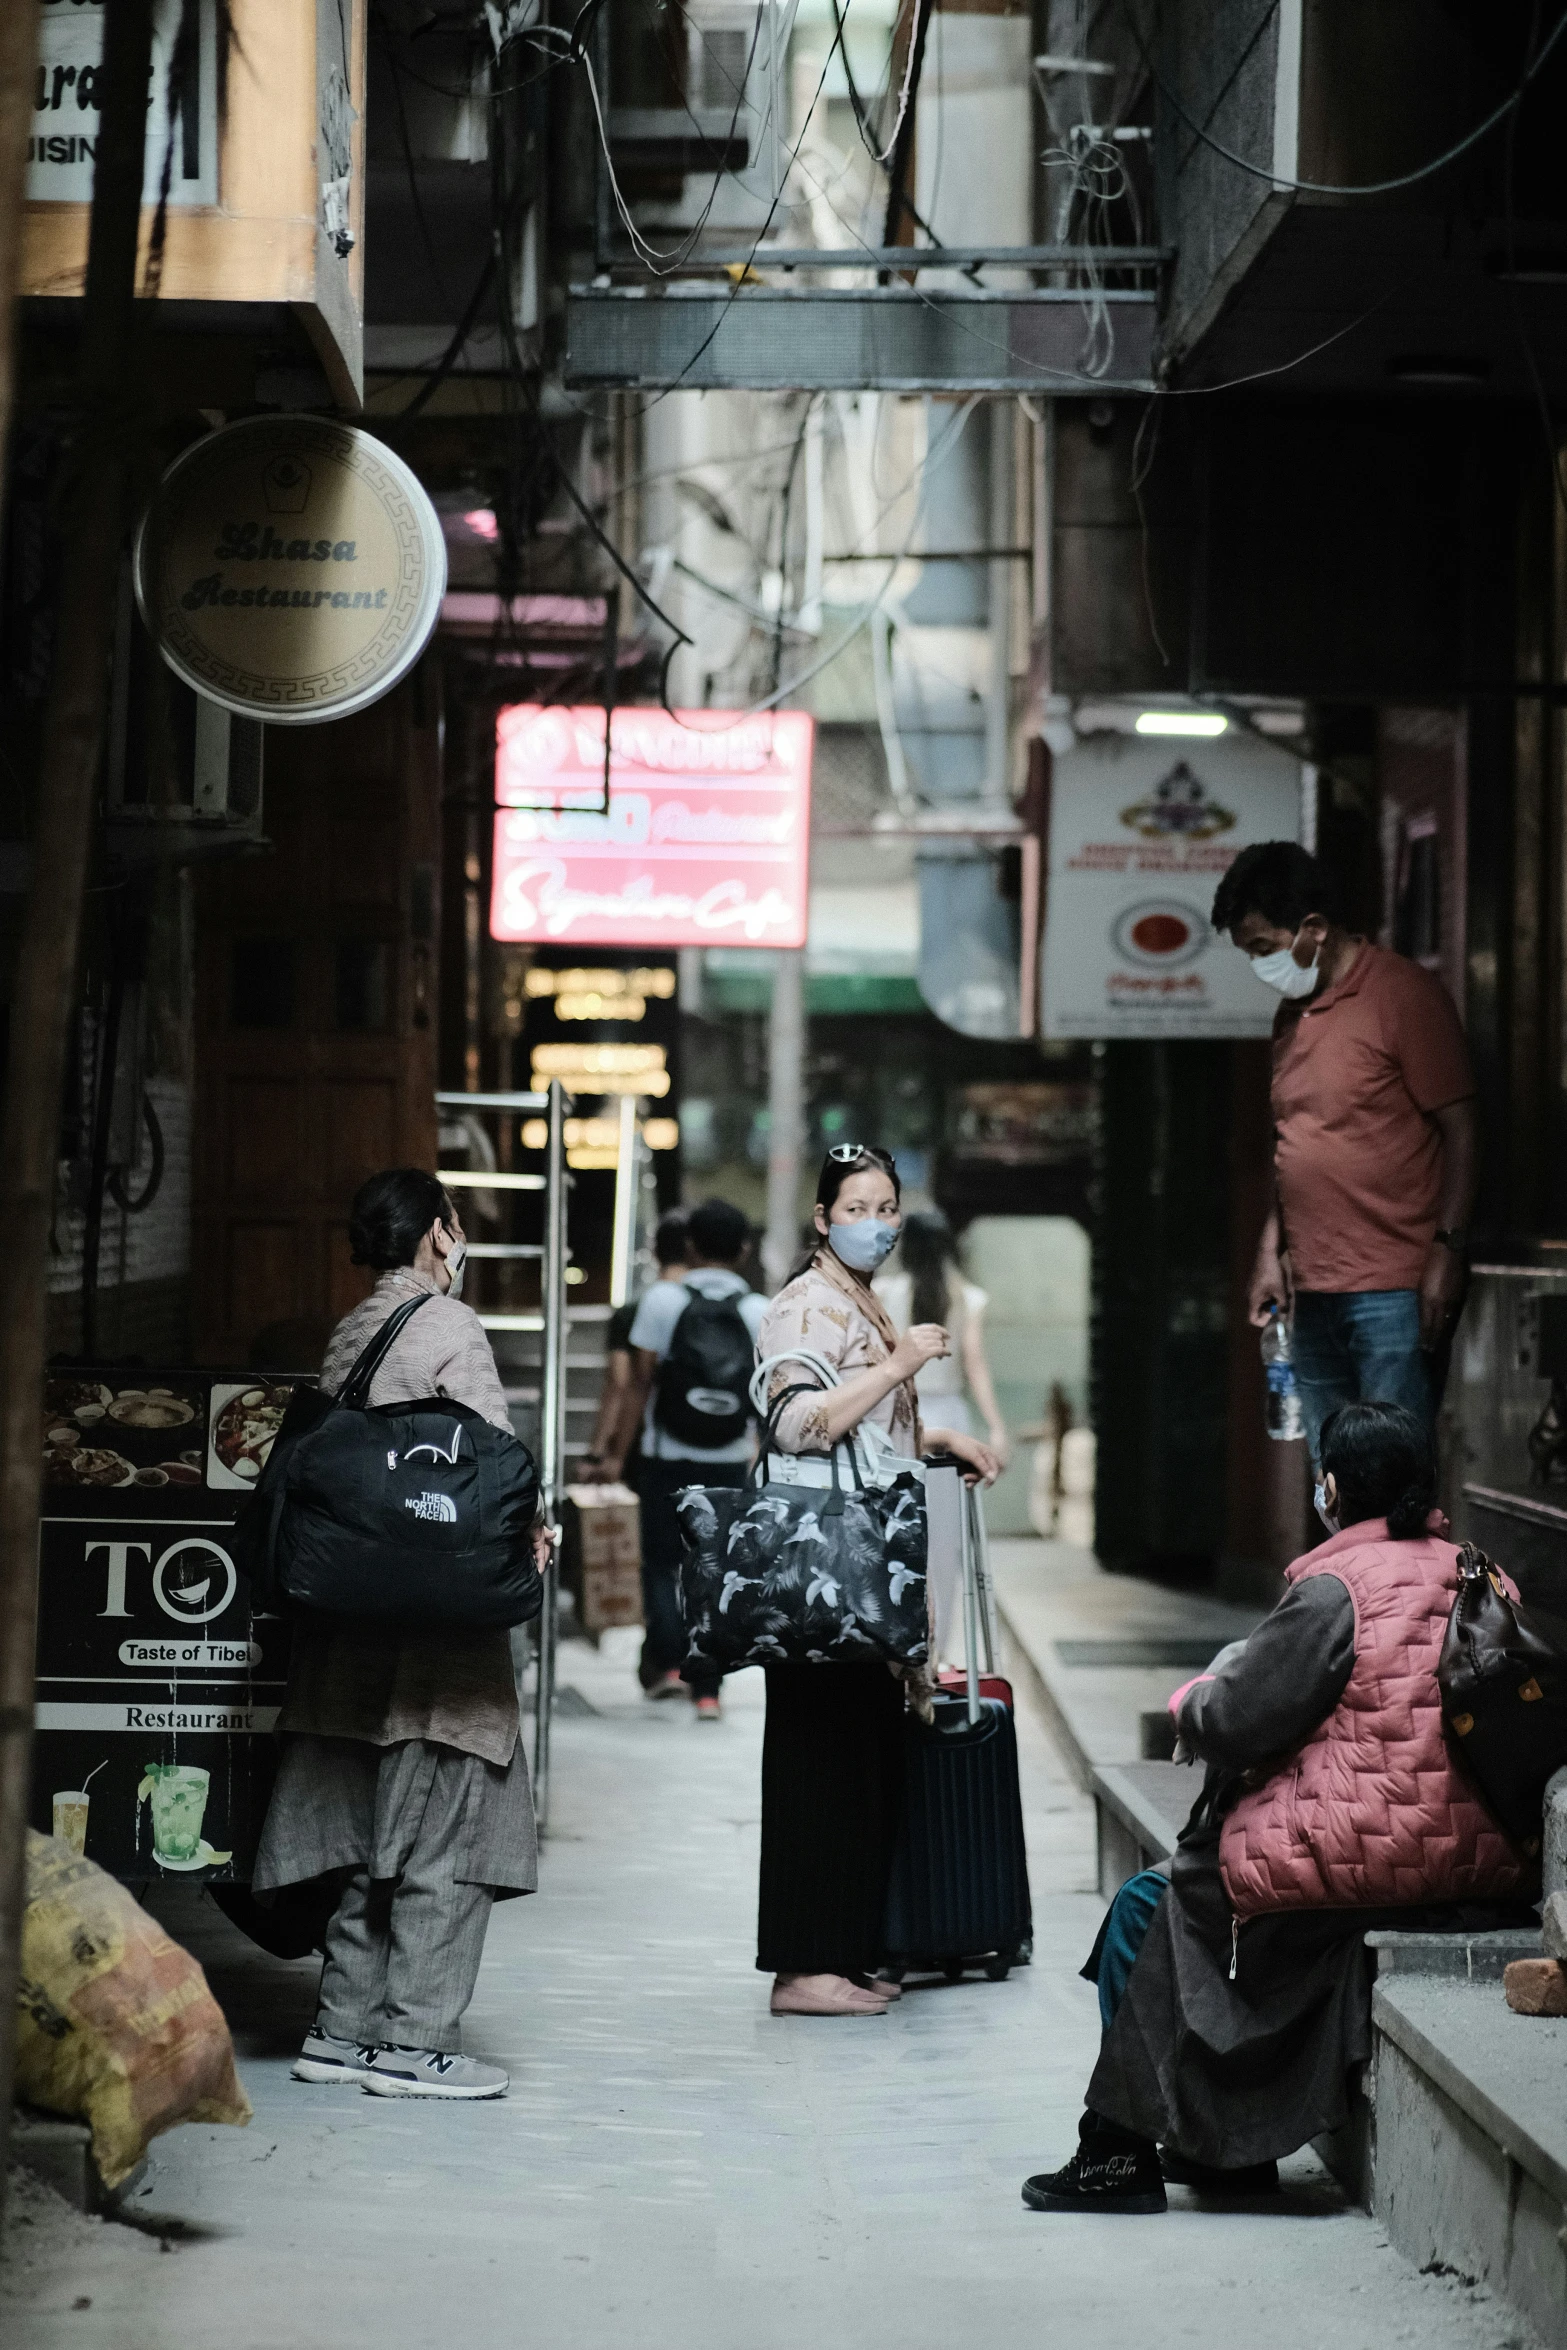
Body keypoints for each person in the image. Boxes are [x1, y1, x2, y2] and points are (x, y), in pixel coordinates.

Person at [1022, 1401, 1536, 2213]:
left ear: (1330, 1487)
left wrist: (1193, 1699)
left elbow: (1239, 1719)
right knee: (1171, 1901)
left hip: (1360, 1858)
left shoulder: (1336, 1588)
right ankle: (1217, 2149)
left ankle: (1115, 2152)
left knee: (1147, 1906)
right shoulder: (1483, 1571)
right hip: (1480, 1865)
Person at [254, 1168, 549, 2102]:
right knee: (449, 1832)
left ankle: (341, 2029)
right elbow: (492, 1474)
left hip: (347, 1628)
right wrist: (533, 1542)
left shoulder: (349, 1329)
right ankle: (415, 2041)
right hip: (437, 1636)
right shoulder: (448, 1325)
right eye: (454, 1225)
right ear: (435, 1234)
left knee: (362, 1831)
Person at [756, 1145, 1000, 2018]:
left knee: (856, 1756)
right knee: (818, 1764)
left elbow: (866, 1437)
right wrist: (898, 1366)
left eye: (886, 1207)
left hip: (862, 1572)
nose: (876, 1223)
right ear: (823, 1220)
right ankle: (802, 1968)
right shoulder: (806, 1305)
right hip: (827, 1571)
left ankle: (840, 1955)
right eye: (856, 1208)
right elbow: (796, 1425)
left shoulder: (851, 1298)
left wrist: (937, 1441)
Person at [1211, 841, 1478, 1459]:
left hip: (1394, 1291)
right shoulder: (1291, 1017)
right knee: (1335, 1480)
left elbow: (1463, 1128)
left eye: (1262, 949)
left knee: (1393, 1473)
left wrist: (1448, 1251)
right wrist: (1269, 1251)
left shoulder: (1404, 997)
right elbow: (1296, 1143)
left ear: (1314, 930)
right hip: (1312, 1293)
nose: (1259, 966)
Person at [601, 1196, 767, 1722]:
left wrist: (615, 1457)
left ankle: (672, 1664)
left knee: (660, 1563)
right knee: (716, 1571)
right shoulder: (760, 1311)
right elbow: (766, 1400)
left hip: (666, 1455)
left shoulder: (662, 1302)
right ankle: (709, 1692)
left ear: (690, 1245)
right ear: (744, 1250)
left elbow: (639, 1389)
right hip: (728, 1461)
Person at [875, 1207, 1010, 1464]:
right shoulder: (968, 1299)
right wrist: (996, 1427)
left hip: (899, 1412)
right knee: (949, 1498)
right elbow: (974, 1364)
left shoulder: (884, 1293)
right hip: (950, 1412)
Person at [579, 1208, 690, 1490]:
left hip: (641, 1445)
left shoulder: (633, 1311)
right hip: (698, 1442)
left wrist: (599, 1452)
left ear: (655, 1251)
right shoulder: (702, 1310)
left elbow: (619, 1383)